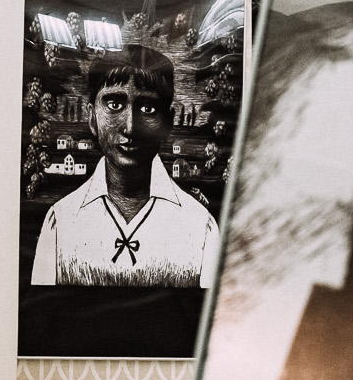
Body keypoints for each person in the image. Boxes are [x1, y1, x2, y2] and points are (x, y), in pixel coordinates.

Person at [30, 46, 220, 287]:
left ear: (168, 122)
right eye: (114, 105)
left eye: (148, 108)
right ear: (92, 118)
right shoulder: (61, 221)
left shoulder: (200, 227)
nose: (130, 127)